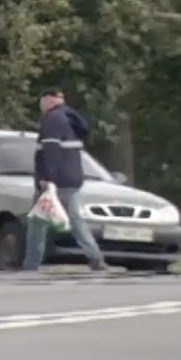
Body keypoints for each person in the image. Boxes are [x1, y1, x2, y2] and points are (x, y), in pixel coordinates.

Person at [21, 89, 107, 273]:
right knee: (74, 219)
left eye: (42, 101)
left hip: (55, 180)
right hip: (72, 177)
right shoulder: (70, 118)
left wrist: (48, 178)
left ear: (49, 100)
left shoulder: (52, 120)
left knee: (38, 220)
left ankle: (31, 263)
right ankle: (95, 257)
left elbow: (52, 151)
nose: (41, 106)